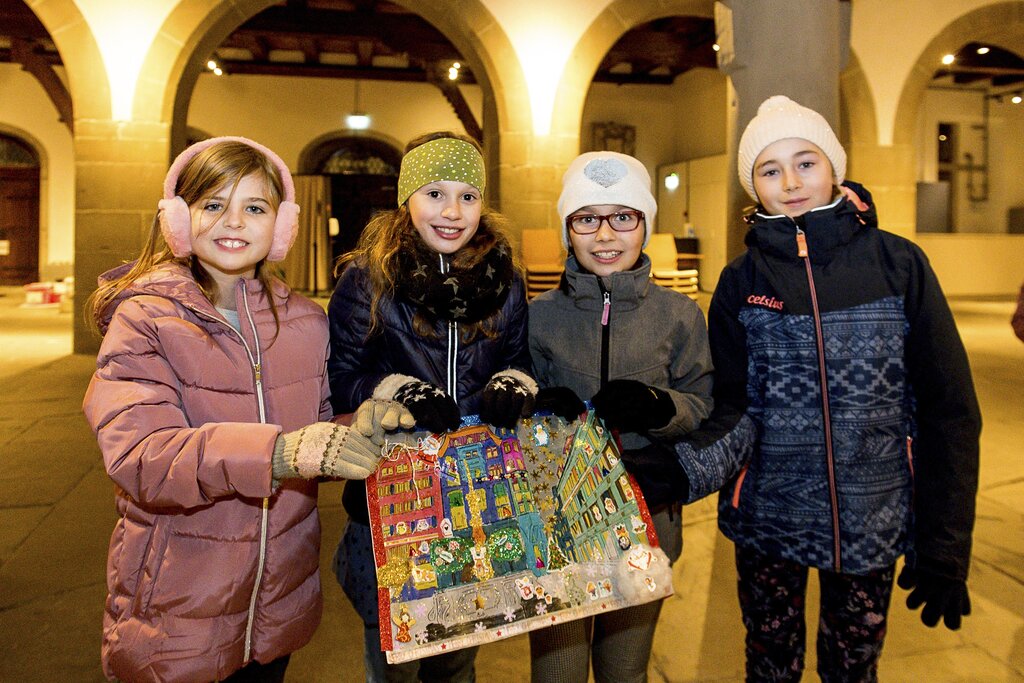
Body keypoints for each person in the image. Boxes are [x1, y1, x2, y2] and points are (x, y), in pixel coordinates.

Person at [660, 96, 982, 682]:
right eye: (769, 169)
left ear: (834, 165)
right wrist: (682, 472)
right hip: (767, 520)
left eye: (805, 162)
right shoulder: (742, 280)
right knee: (770, 665)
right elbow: (732, 408)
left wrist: (944, 544)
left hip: (871, 518)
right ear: (752, 186)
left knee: (853, 670)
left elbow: (948, 410)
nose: (790, 182)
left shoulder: (898, 265)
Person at [82, 136, 409, 683]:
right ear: (178, 219)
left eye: (254, 208)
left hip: (278, 603)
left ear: (281, 226)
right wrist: (279, 453)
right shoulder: (144, 320)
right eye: (213, 205)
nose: (233, 223)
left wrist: (364, 428)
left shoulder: (305, 320)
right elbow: (141, 456)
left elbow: (317, 430)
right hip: (179, 607)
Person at [327, 131, 537, 682]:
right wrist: (399, 390)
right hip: (393, 498)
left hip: (476, 499)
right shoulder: (367, 278)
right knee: (392, 655)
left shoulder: (507, 281)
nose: (452, 211)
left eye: (468, 196)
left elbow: (519, 358)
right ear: (406, 200)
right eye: (435, 193)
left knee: (459, 655)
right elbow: (341, 379)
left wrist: (514, 383)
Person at [526, 150, 714, 683]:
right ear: (568, 228)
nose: (605, 234)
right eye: (586, 219)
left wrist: (660, 408)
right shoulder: (540, 316)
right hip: (559, 524)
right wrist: (537, 407)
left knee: (625, 669)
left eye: (622, 217)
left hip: (646, 518)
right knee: (556, 672)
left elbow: (701, 400)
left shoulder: (679, 315)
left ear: (645, 225)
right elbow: (517, 400)